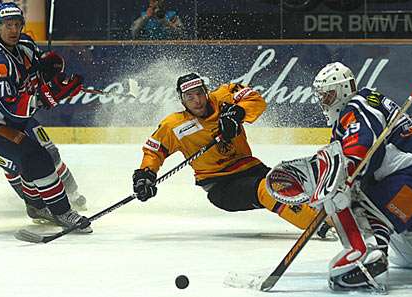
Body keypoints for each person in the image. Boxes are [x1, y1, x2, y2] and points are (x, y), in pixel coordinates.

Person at [265, 62, 412, 292]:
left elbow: (364, 144)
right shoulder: (367, 102)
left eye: (328, 95)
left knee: (350, 196)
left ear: (343, 91)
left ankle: (366, 258)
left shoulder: (355, 107)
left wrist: (342, 177)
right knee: (411, 259)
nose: (324, 102)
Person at [131, 72, 333, 233]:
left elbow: (256, 99)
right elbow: (154, 151)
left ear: (206, 91)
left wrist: (238, 113)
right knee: (267, 189)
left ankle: (336, 214)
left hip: (251, 168)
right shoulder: (175, 126)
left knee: (293, 181)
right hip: (221, 186)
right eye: (189, 97)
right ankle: (320, 226)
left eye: (199, 93)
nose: (197, 100)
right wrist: (145, 176)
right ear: (182, 100)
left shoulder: (225, 96)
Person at [0, 2, 91, 232]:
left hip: (9, 118)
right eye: (7, 25)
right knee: (29, 160)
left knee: (49, 153)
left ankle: (65, 195)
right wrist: (46, 97)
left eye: (17, 24)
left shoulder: (24, 43)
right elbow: (12, 109)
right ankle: (49, 208)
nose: (13, 30)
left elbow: (38, 71)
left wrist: (52, 71)